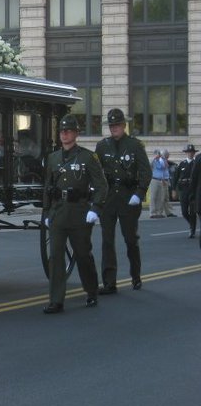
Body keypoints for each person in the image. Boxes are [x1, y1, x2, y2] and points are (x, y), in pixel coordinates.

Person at [41, 115, 107, 313]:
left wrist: (95, 209)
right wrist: (45, 212)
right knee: (55, 256)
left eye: (68, 131)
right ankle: (56, 300)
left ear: (76, 134)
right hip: (58, 211)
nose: (64, 134)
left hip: (79, 211)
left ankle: (92, 290)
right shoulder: (53, 158)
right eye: (62, 131)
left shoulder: (88, 157)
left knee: (83, 254)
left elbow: (101, 185)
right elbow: (48, 187)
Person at [95, 108, 151, 294]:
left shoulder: (135, 145)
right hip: (109, 198)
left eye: (117, 125)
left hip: (128, 197)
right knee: (107, 241)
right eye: (111, 126)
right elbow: (97, 174)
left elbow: (145, 171)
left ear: (124, 125)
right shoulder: (102, 146)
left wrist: (139, 193)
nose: (114, 128)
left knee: (130, 240)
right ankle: (109, 282)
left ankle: (135, 276)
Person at [172, 144, 196, 237]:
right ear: (186, 153)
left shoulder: (196, 163)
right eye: (188, 152)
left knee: (193, 211)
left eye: (191, 152)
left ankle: (192, 229)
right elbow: (175, 177)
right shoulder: (182, 164)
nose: (190, 154)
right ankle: (192, 224)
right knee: (184, 212)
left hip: (192, 190)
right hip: (183, 190)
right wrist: (174, 190)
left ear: (194, 153)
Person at [148, 148, 168, 218]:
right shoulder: (153, 161)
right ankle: (153, 213)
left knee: (160, 197)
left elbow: (165, 167)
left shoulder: (161, 161)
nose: (158, 155)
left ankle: (159, 212)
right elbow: (149, 166)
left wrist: (163, 158)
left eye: (159, 154)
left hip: (161, 180)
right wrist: (154, 158)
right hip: (154, 180)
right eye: (157, 154)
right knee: (153, 197)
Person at [162, 149, 176, 217]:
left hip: (166, 181)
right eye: (166, 156)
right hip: (162, 181)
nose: (167, 157)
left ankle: (168, 212)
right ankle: (158, 212)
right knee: (161, 197)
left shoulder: (169, 163)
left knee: (166, 197)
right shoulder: (159, 161)